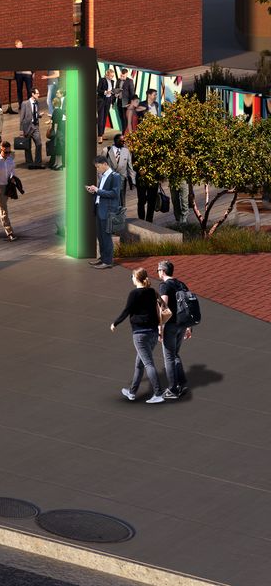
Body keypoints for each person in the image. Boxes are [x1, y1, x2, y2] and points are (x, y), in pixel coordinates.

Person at [110, 266, 167, 404]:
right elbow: (163, 305)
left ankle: (158, 393)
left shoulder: (134, 294)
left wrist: (115, 323)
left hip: (140, 334)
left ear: (137, 278)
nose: (131, 278)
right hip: (153, 333)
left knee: (148, 364)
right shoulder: (152, 292)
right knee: (139, 364)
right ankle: (132, 392)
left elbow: (127, 311)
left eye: (132, 276)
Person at [154, 260, 194, 399]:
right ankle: (182, 384)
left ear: (163, 271)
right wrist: (189, 327)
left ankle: (172, 389)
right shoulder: (181, 284)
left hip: (170, 326)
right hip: (182, 325)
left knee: (169, 357)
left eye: (158, 270)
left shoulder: (164, 285)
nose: (158, 272)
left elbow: (163, 307)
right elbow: (188, 306)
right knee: (175, 354)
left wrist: (160, 328)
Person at [86, 153, 126, 268]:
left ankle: (108, 262)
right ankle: (102, 258)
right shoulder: (102, 176)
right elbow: (102, 192)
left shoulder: (115, 176)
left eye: (98, 167)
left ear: (105, 164)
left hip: (108, 211)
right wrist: (94, 190)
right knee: (100, 235)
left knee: (106, 236)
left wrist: (97, 190)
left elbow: (114, 193)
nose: (97, 169)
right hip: (99, 208)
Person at [19, 89, 46, 169]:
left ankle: (38, 162)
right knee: (27, 146)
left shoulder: (37, 103)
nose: (39, 95)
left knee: (39, 144)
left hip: (35, 126)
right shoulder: (25, 103)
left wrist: (39, 115)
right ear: (32, 94)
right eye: (37, 93)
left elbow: (35, 113)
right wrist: (21, 130)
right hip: (27, 127)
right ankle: (29, 162)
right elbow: (22, 117)